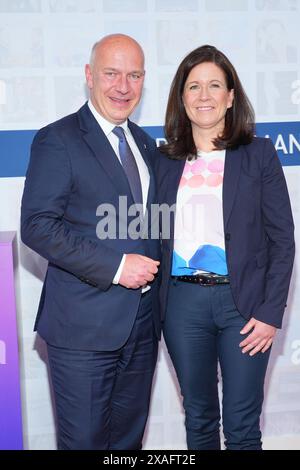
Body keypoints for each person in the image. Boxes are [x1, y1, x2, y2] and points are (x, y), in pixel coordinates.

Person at [21, 34, 161, 450]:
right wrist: (117, 268)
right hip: (81, 330)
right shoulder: (58, 139)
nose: (123, 86)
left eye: (133, 75)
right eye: (111, 74)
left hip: (142, 327)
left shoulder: (146, 143)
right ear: (89, 76)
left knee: (128, 445)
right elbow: (38, 225)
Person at [156, 45, 295, 450]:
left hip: (245, 307)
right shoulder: (163, 161)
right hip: (182, 307)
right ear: (181, 98)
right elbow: (150, 232)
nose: (204, 95)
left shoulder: (259, 154)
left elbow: (282, 240)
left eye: (214, 85)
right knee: (198, 419)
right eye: (194, 86)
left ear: (231, 96)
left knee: (242, 425)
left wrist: (270, 313)